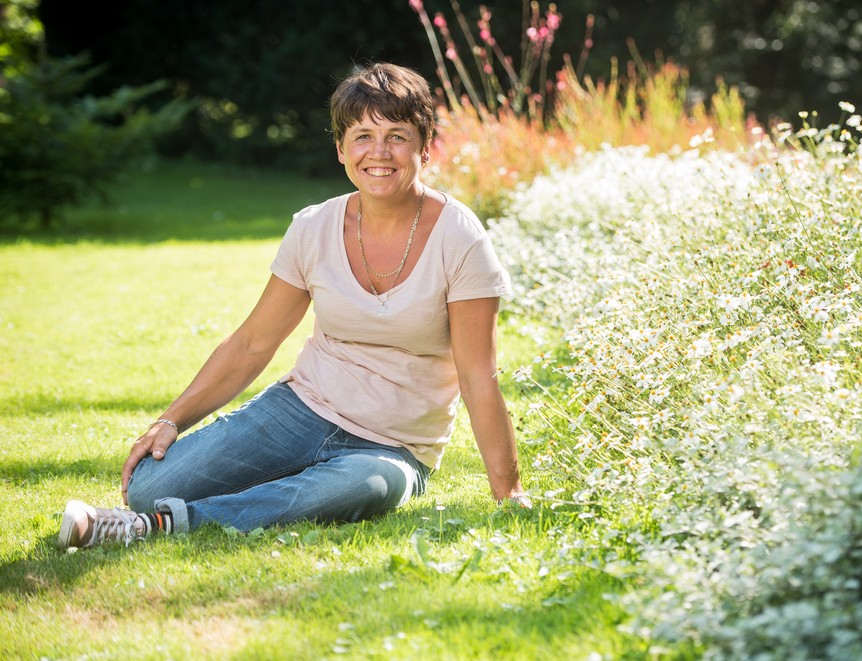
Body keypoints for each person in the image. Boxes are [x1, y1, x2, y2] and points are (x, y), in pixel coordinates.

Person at [58, 62, 530, 548]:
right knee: (150, 486)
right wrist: (170, 420)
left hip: (392, 446)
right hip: (301, 409)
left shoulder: (460, 237)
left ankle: (158, 526)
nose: (380, 152)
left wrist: (508, 491)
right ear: (341, 149)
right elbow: (252, 342)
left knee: (363, 486)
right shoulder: (313, 228)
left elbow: (478, 375)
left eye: (397, 135)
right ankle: (176, 505)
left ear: (425, 147)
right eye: (363, 136)